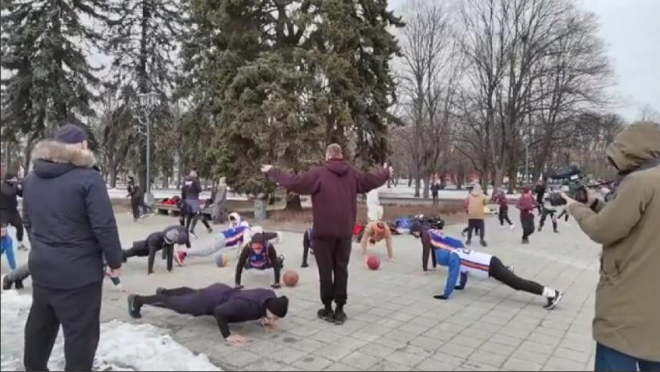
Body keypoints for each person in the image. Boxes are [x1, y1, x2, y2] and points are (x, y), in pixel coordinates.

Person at [21, 124, 123, 371]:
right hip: (79, 276)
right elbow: (104, 226)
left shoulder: (32, 179)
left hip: (43, 269)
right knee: (80, 337)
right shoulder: (88, 178)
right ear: (82, 146)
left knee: (40, 328)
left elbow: (27, 220)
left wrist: (44, 249)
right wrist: (115, 261)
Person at [564, 122, 660, 371]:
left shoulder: (641, 182)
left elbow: (602, 230)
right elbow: (637, 224)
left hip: (627, 311)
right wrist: (595, 204)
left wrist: (575, 207)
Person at [262, 144, 390, 325]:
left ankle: (328, 309)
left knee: (325, 271)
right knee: (341, 270)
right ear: (341, 155)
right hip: (345, 233)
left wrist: (273, 171)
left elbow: (295, 182)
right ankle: (340, 310)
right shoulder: (352, 174)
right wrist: (386, 173)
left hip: (323, 234)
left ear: (327, 155)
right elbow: (372, 180)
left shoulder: (319, 173)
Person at [424, 228, 563, 309]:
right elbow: (463, 272)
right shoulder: (457, 252)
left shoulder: (454, 258)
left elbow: (452, 275)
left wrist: (446, 294)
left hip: (491, 267)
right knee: (513, 282)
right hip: (491, 261)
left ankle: (552, 294)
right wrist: (461, 286)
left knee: (517, 284)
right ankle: (508, 270)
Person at [127, 283, 289, 346]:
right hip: (210, 301)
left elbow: (259, 299)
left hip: (221, 291)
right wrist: (227, 335)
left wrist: (264, 318)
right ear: (268, 308)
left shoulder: (269, 295)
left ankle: (166, 291)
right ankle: (138, 300)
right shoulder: (249, 308)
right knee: (177, 306)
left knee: (192, 293)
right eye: (272, 316)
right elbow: (220, 312)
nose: (272, 320)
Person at [176, 214, 259, 266]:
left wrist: (239, 256)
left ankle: (183, 254)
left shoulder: (243, 228)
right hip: (223, 240)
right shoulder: (247, 230)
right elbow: (246, 244)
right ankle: (182, 254)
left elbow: (240, 245)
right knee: (205, 252)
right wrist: (248, 258)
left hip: (221, 235)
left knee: (205, 250)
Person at [122, 228, 188, 275]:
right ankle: (119, 254)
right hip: (142, 248)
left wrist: (169, 268)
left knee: (128, 254)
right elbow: (151, 256)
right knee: (128, 253)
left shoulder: (171, 238)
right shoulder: (155, 239)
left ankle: (122, 255)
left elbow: (170, 254)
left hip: (150, 249)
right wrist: (150, 271)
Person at [1, 168, 27, 251]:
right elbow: (9, 193)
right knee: (2, 230)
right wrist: (16, 184)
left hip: (13, 211)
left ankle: (20, 244)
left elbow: (21, 194)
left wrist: (21, 187)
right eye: (14, 178)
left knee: (20, 226)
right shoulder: (3, 186)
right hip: (3, 211)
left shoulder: (13, 185)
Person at [182, 168, 212, 238]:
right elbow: (199, 190)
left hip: (187, 200)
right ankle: (193, 229)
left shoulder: (185, 180)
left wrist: (183, 199)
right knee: (198, 214)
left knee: (189, 215)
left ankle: (187, 229)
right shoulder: (195, 180)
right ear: (195, 174)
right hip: (194, 200)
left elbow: (183, 190)